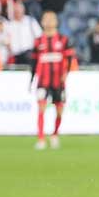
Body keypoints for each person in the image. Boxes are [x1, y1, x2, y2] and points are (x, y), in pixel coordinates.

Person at [30, 11, 74, 150]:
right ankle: (41, 139)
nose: (48, 21)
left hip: (58, 82)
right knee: (41, 108)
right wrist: (31, 80)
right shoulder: (38, 41)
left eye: (51, 19)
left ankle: (54, 134)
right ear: (42, 22)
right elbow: (33, 62)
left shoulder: (63, 40)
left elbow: (69, 59)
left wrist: (65, 75)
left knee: (59, 110)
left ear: (56, 22)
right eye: (46, 19)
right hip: (43, 81)